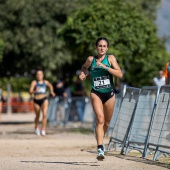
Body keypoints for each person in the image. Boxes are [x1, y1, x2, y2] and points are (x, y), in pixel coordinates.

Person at [79, 37, 123, 160]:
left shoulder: (111, 58)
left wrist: (105, 67)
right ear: (96, 47)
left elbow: (119, 74)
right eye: (99, 46)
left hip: (109, 94)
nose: (102, 48)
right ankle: (100, 148)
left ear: (107, 48)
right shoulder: (91, 59)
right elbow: (84, 68)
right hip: (96, 92)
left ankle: (101, 140)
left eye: (104, 46)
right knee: (100, 119)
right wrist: (83, 73)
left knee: (107, 123)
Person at [29, 68, 55, 136]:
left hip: (44, 99)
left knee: (44, 114)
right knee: (37, 116)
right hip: (36, 100)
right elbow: (30, 92)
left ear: (43, 75)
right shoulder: (34, 82)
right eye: (38, 74)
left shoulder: (45, 82)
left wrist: (52, 91)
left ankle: (43, 129)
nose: (39, 76)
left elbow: (50, 86)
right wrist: (35, 91)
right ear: (36, 75)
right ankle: (36, 127)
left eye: (40, 74)